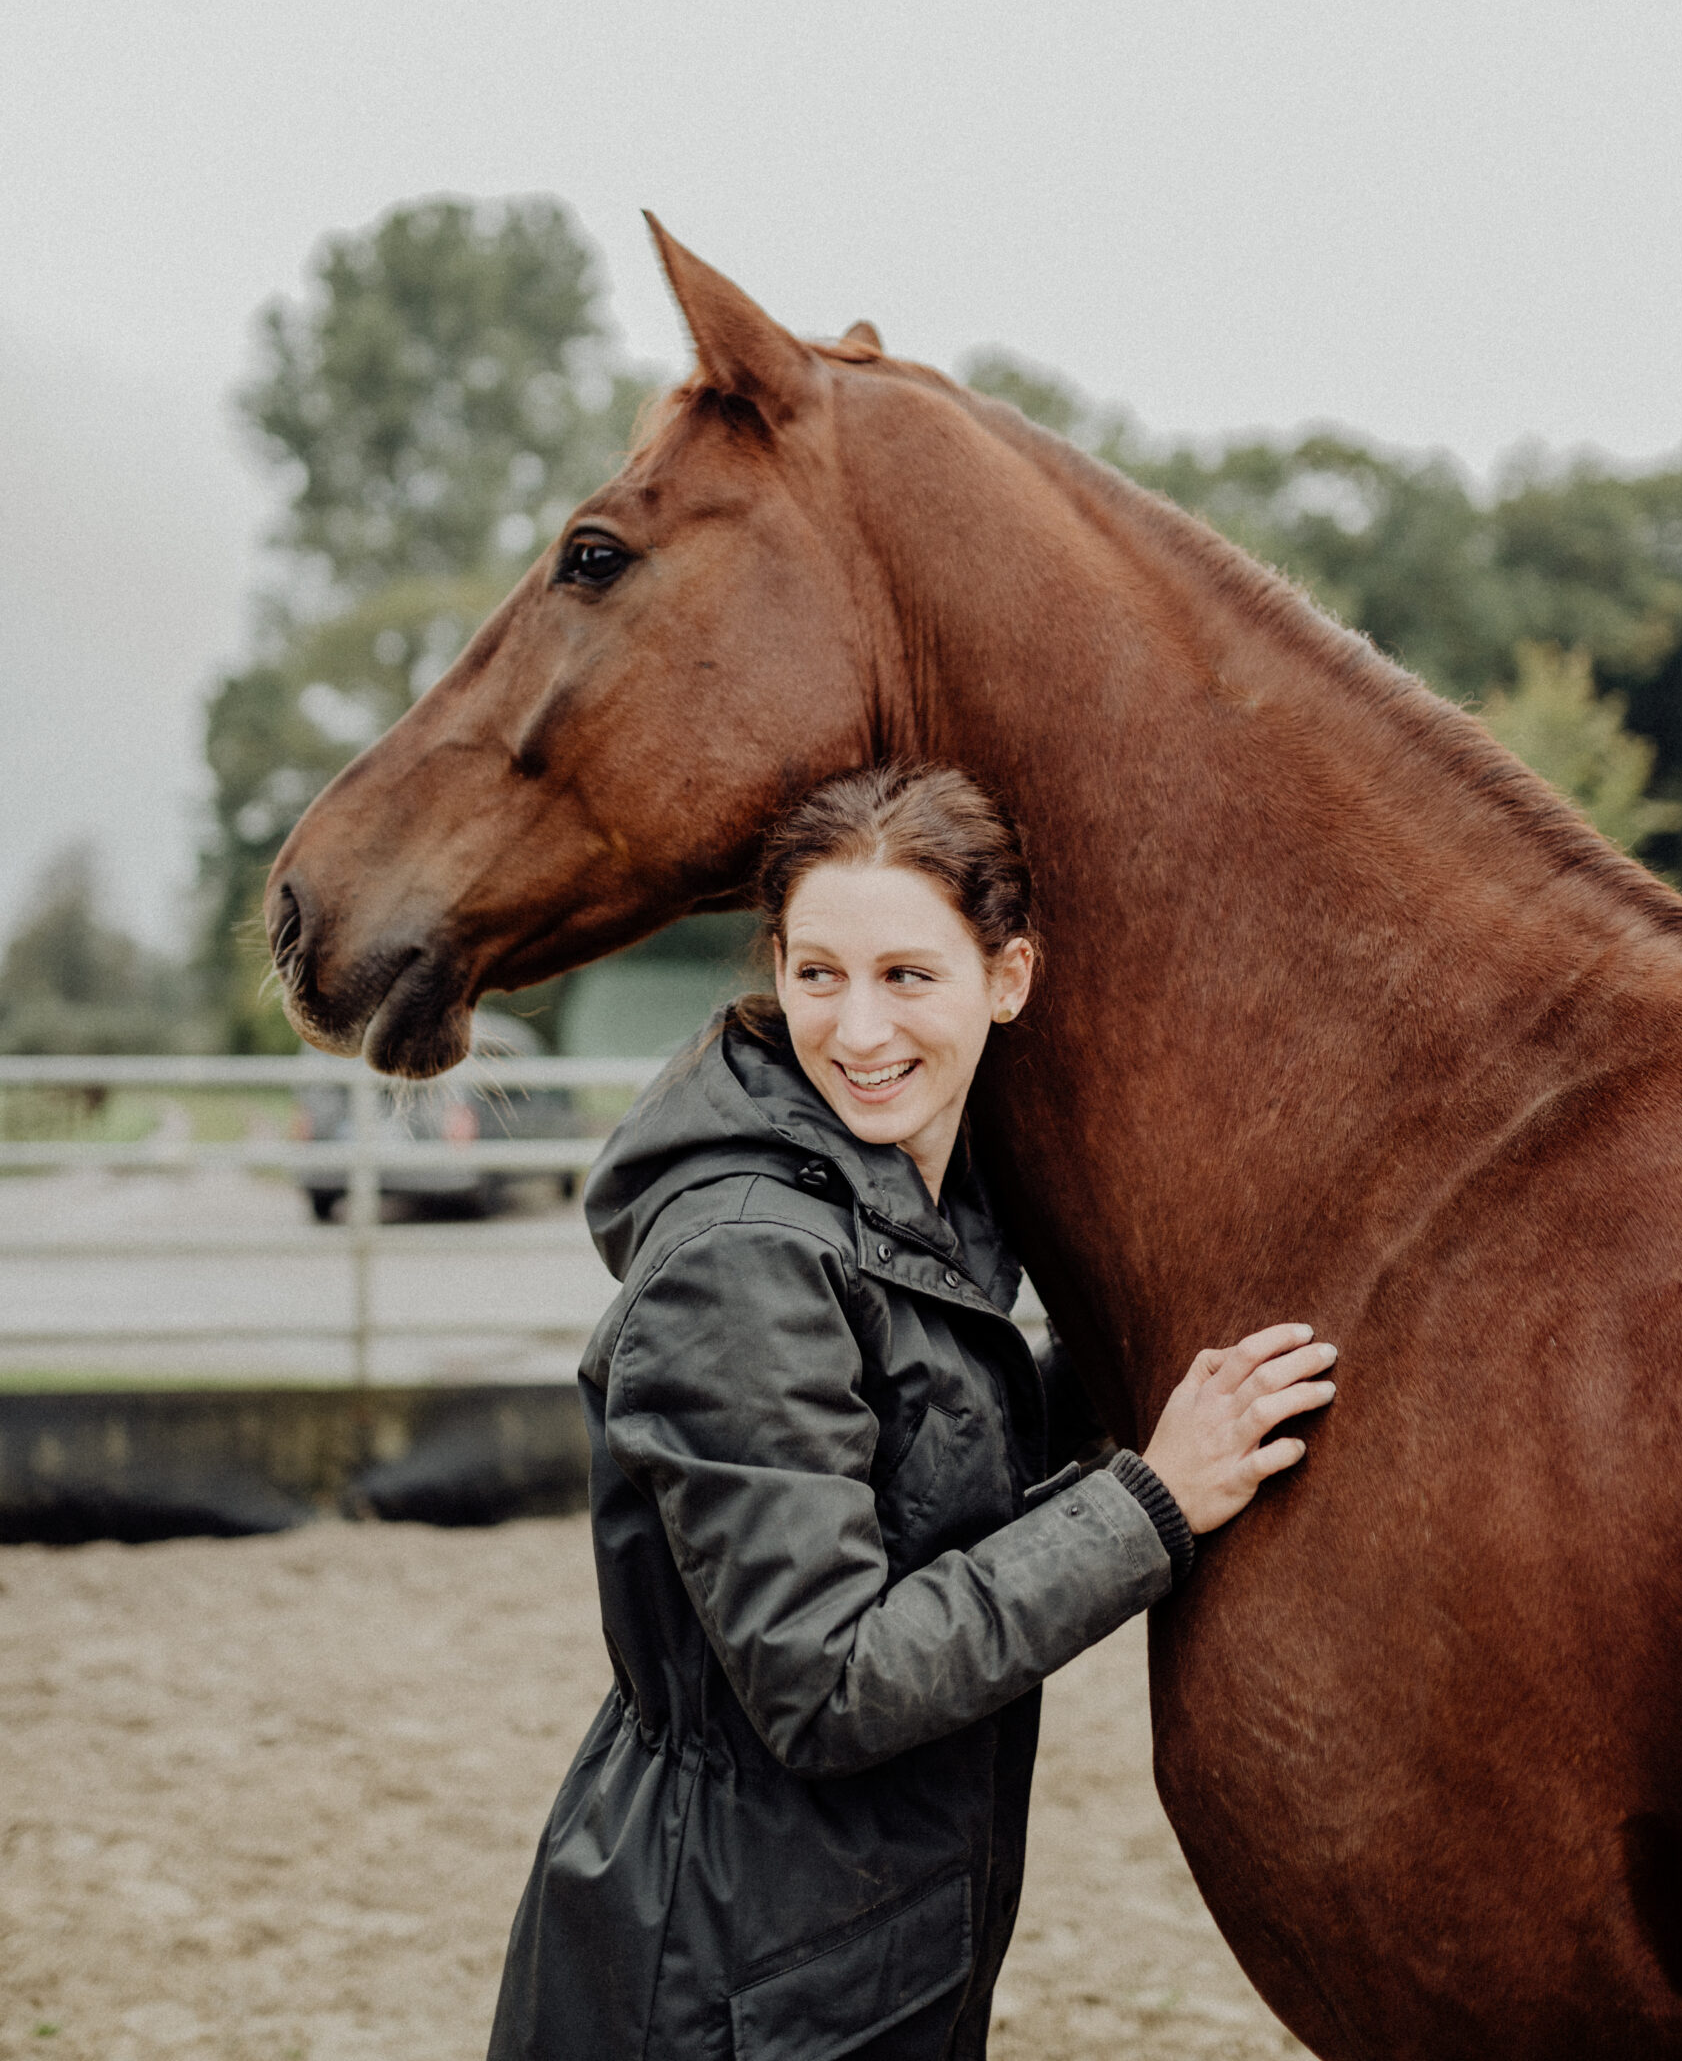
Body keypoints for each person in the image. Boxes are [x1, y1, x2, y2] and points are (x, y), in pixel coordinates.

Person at [489, 765, 1338, 2061]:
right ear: (772, 966)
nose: (860, 1029)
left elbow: (914, 1458)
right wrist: (1151, 1504)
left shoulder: (904, 1209)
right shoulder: (746, 1258)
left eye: (907, 976)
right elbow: (830, 1677)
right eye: (819, 974)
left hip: (850, 1945)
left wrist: (1130, 1376)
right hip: (724, 1980)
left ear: (1008, 979)